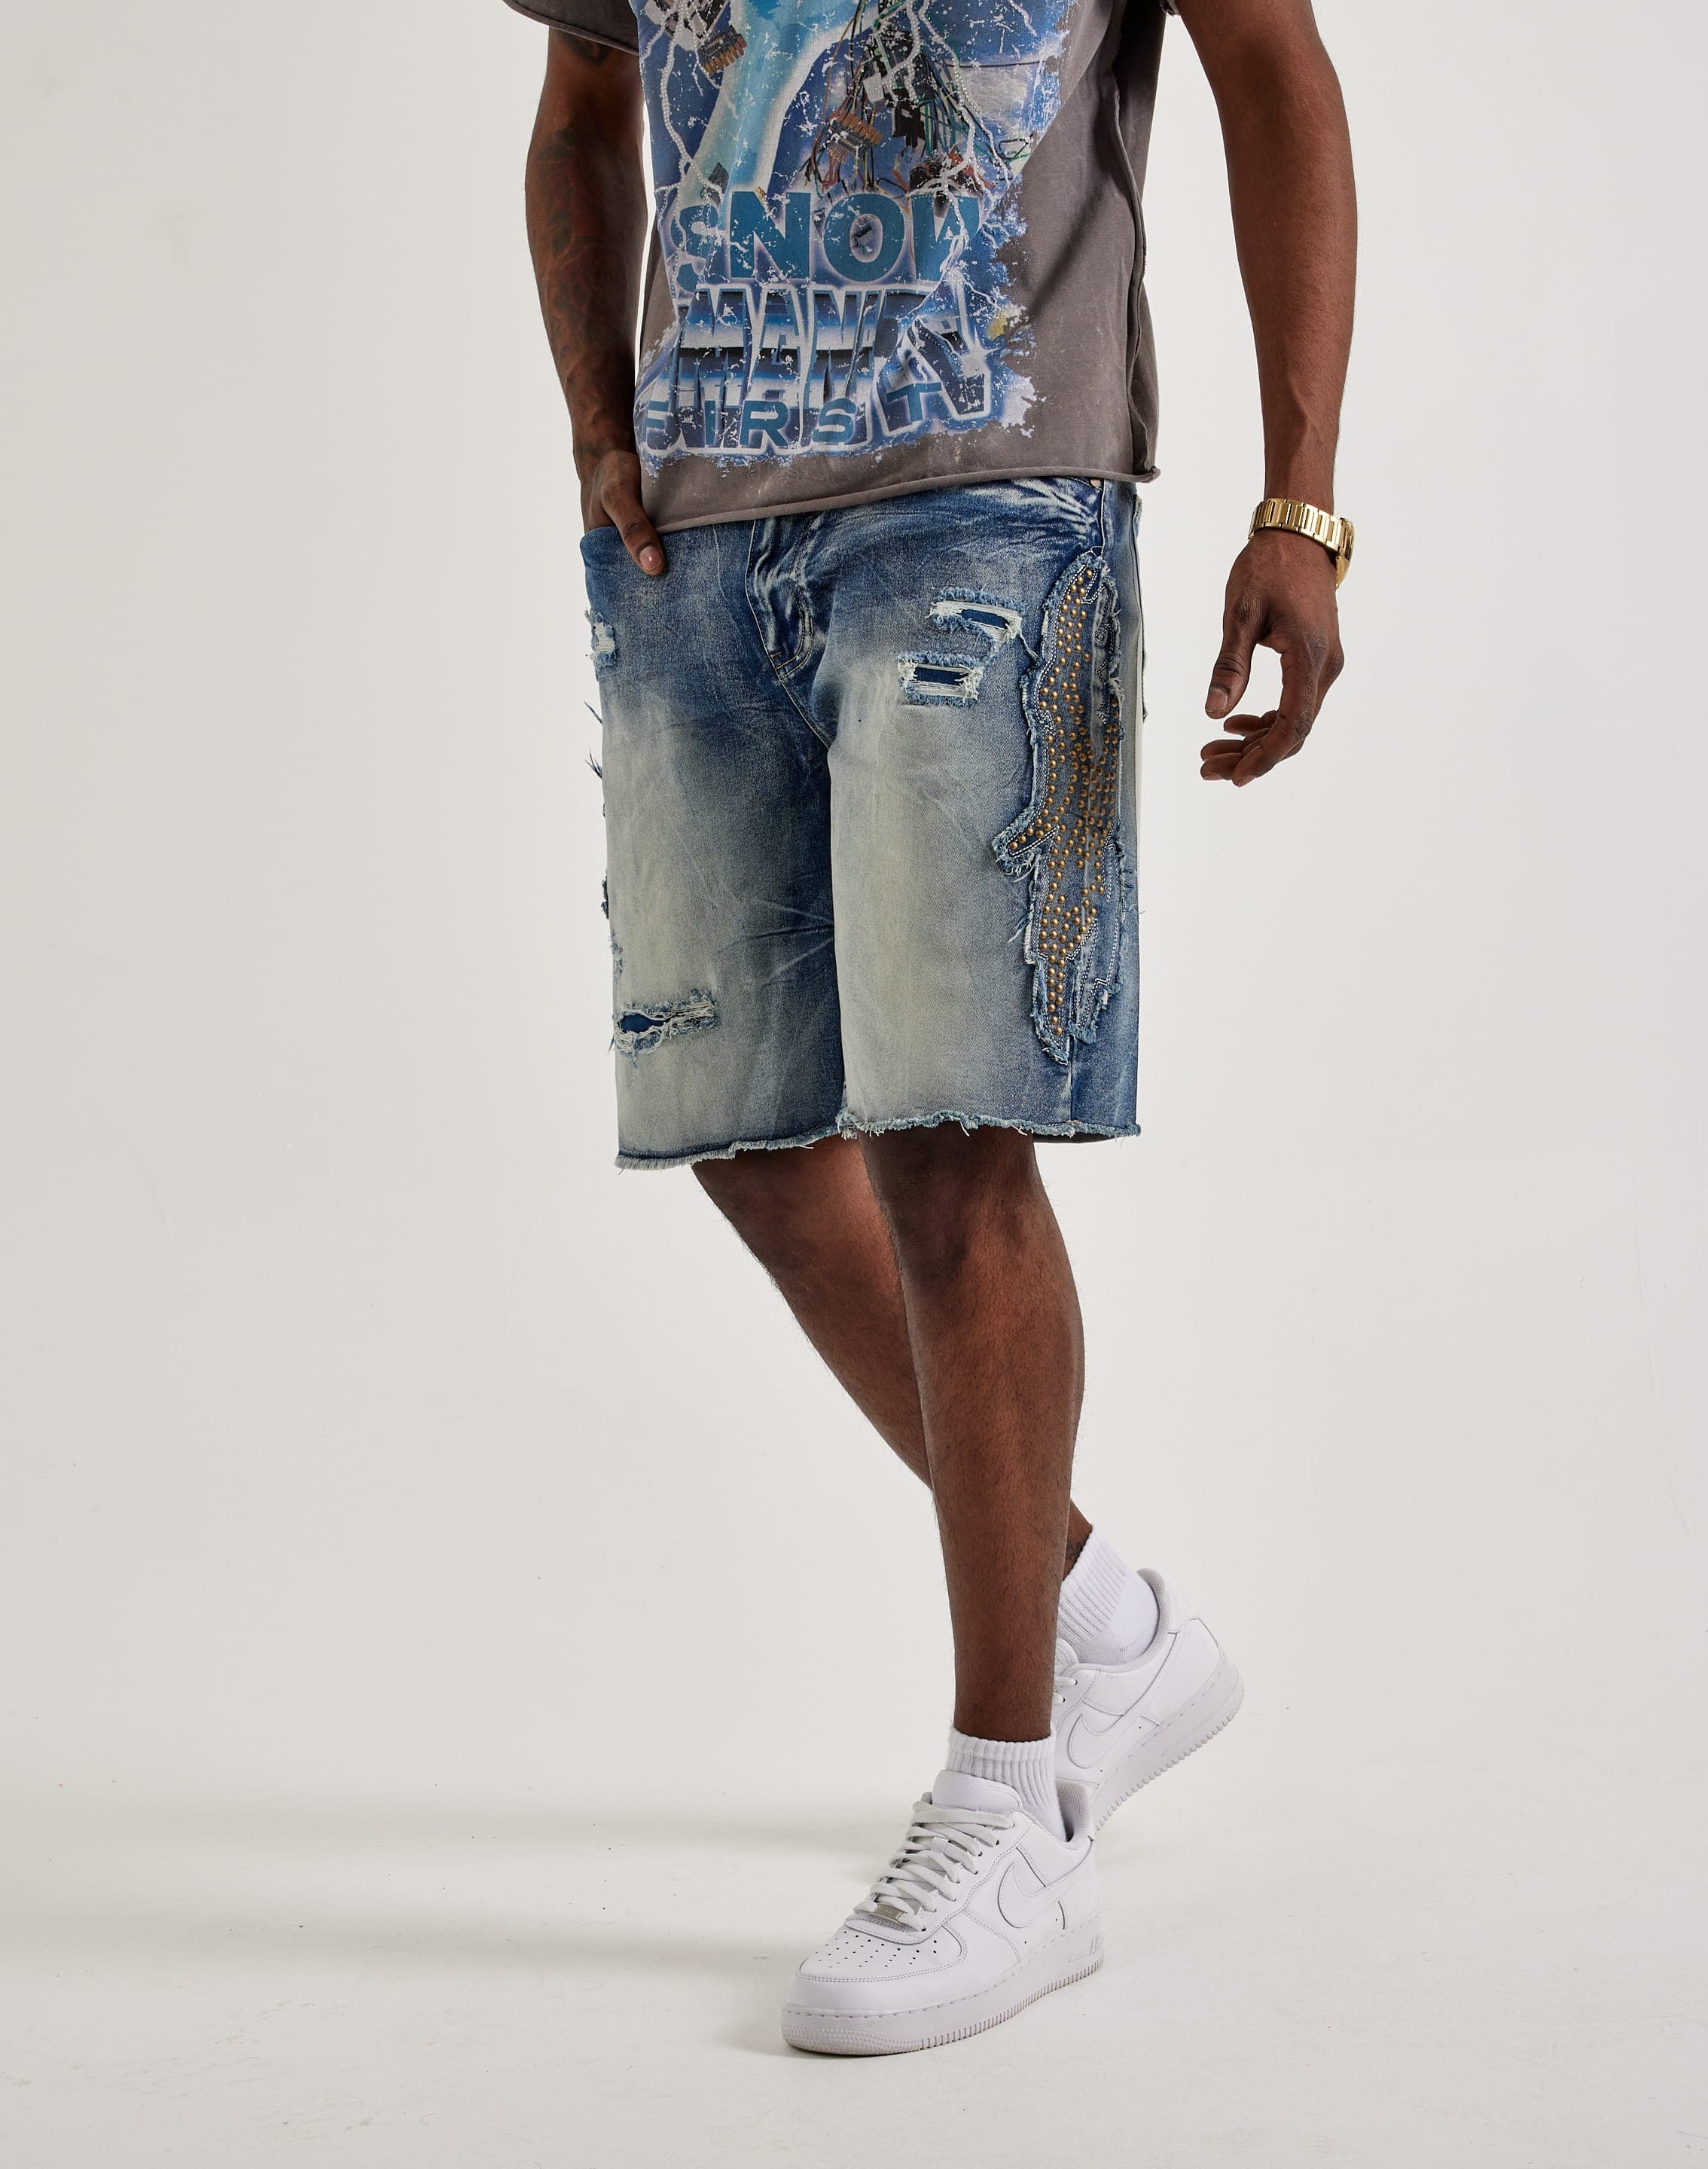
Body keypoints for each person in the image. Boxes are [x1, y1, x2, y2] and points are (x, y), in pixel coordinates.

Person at [503, 0, 1354, 2055]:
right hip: (695, 531)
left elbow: (1272, 68)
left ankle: (1011, 1802)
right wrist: (600, 426)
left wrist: (1302, 502)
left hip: (989, 497)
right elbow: (582, 103)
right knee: (749, 1135)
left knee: (945, 1135)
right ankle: (1098, 1621)